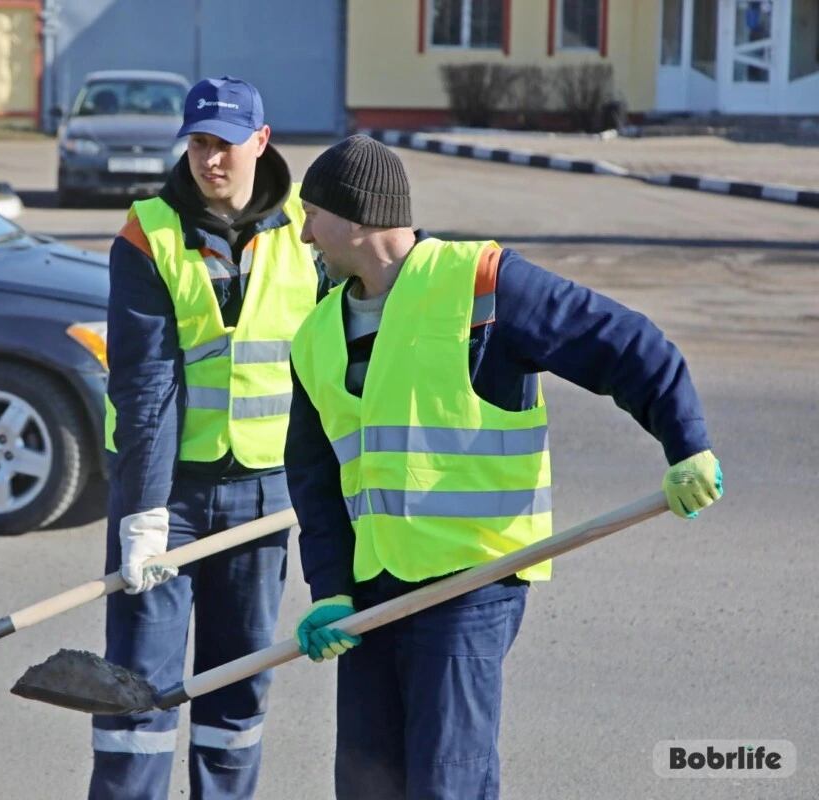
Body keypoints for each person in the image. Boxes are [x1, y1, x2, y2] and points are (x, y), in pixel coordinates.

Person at [284, 135, 723, 800]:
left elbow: (622, 343)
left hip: (472, 584)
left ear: (356, 217)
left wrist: (685, 442)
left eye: (312, 213)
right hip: (373, 592)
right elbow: (316, 482)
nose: (305, 233)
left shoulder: (481, 283)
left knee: (446, 785)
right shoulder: (316, 336)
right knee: (368, 784)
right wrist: (330, 590)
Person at [90, 76, 324, 800]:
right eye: (198, 142)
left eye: (225, 144)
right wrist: (143, 514)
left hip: (264, 490)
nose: (210, 159)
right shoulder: (148, 233)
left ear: (262, 141)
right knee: (137, 697)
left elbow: (337, 364)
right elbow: (146, 383)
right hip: (167, 493)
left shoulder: (308, 231)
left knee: (236, 691)